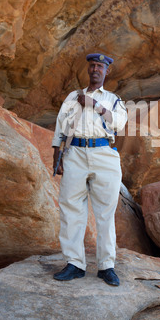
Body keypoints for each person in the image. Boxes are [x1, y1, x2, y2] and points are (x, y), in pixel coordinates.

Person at [52, 53, 127, 286]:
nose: (96, 69)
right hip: (75, 152)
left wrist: (96, 106)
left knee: (105, 212)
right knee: (71, 207)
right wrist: (57, 151)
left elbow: (120, 123)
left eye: (100, 67)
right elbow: (61, 124)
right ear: (88, 70)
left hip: (104, 153)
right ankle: (75, 264)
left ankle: (106, 266)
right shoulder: (74, 96)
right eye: (93, 66)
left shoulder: (113, 99)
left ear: (107, 72)